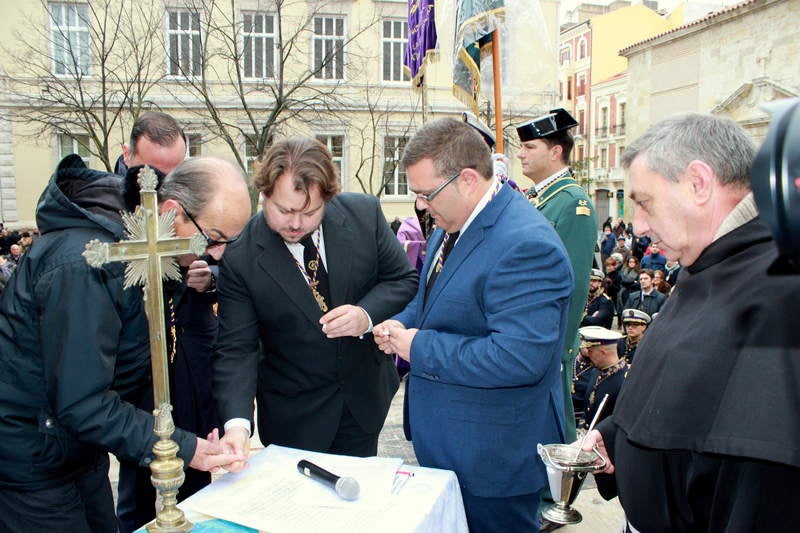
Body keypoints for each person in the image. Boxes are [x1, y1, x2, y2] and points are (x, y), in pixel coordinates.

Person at [0, 154, 247, 532]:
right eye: (213, 238)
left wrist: (189, 438)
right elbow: (81, 401)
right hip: (32, 458)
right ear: (169, 211)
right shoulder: (87, 264)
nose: (217, 254)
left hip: (74, 449)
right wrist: (184, 448)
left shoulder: (149, 250)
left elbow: (140, 363)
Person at [582, 113, 800, 531]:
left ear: (699, 184)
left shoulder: (779, 288)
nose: (639, 227)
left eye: (644, 202)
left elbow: (759, 474)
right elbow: (687, 388)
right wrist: (615, 436)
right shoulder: (712, 260)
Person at [374, 118, 573, 532]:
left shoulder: (525, 244)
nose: (421, 206)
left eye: (426, 194)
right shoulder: (455, 224)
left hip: (491, 458)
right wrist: (399, 324)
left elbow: (517, 359)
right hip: (453, 442)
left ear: (466, 179)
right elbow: (433, 303)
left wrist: (418, 346)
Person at [214, 137, 418, 466]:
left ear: (328, 197)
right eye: (284, 210)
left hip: (363, 403)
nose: (296, 223)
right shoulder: (241, 257)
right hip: (294, 416)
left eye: (310, 212)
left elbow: (403, 279)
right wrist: (237, 425)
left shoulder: (363, 214)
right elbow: (236, 350)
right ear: (265, 194)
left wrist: (365, 315)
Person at [115, 158, 252, 532]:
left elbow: (223, 276)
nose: (216, 251)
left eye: (228, 241)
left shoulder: (197, 248)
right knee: (142, 495)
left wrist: (209, 280)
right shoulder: (127, 254)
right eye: (213, 238)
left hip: (192, 380)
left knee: (193, 493)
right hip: (142, 398)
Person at [515, 108, 597, 444]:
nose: (520, 153)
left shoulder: (572, 203)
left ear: (555, 151)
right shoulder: (536, 199)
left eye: (530, 147)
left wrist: (558, 349)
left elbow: (573, 286)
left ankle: (555, 491)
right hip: (525, 333)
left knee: (551, 427)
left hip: (547, 340)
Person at [576, 326, 626, 430]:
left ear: (603, 352)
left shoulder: (625, 380)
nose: (588, 355)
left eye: (590, 351)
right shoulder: (596, 372)